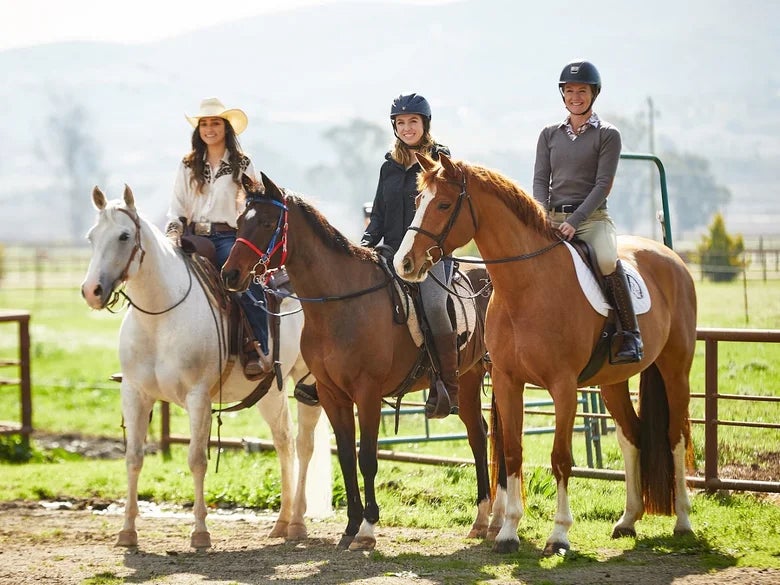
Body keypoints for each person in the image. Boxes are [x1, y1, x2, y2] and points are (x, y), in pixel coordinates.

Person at [532, 60, 643, 363]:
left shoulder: (608, 135)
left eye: (581, 91)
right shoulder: (549, 134)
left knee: (607, 260)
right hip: (551, 218)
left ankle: (630, 334)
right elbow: (541, 179)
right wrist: (542, 215)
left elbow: (603, 184)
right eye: (569, 91)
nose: (575, 96)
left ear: (594, 94)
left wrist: (574, 221)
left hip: (591, 220)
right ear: (563, 95)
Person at [363, 92, 459, 418]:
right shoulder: (388, 166)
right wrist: (363, 245)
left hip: (430, 254)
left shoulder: (440, 159)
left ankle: (447, 384)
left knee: (433, 304)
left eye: (412, 122)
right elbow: (377, 215)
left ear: (425, 124)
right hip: (392, 250)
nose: (407, 128)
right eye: (400, 123)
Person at [164, 97, 272, 377]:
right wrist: (174, 230)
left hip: (227, 237)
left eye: (215, 123)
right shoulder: (188, 165)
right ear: (198, 130)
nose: (209, 129)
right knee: (160, 278)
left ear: (226, 128)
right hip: (192, 236)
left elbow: (256, 203)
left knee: (244, 285)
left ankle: (257, 346)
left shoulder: (242, 163)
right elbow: (177, 205)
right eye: (204, 124)